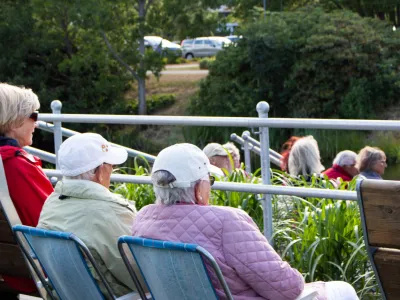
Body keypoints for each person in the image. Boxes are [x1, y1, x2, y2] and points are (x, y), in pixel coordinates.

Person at [132, 143, 359, 300]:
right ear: (198, 188)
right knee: (343, 290)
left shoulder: (142, 220)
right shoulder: (226, 222)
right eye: (209, 180)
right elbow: (287, 289)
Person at [38, 133, 143, 298]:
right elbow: (140, 276)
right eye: (111, 166)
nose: (112, 171)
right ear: (100, 172)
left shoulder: (52, 202)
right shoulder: (111, 211)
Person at [0, 83, 54, 295]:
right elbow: (51, 220)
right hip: (32, 274)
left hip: (7, 266)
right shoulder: (17, 165)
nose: (37, 122)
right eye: (33, 115)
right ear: (14, 121)